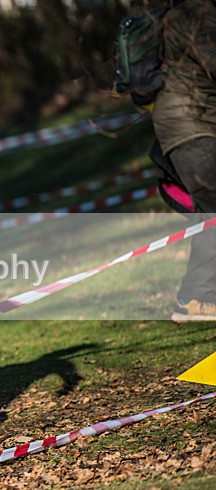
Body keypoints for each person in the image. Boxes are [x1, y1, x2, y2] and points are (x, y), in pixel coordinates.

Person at [151, 0, 216, 321]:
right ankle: (197, 298)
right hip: (191, 126)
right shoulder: (195, 13)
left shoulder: (181, 12)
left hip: (193, 123)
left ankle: (197, 297)